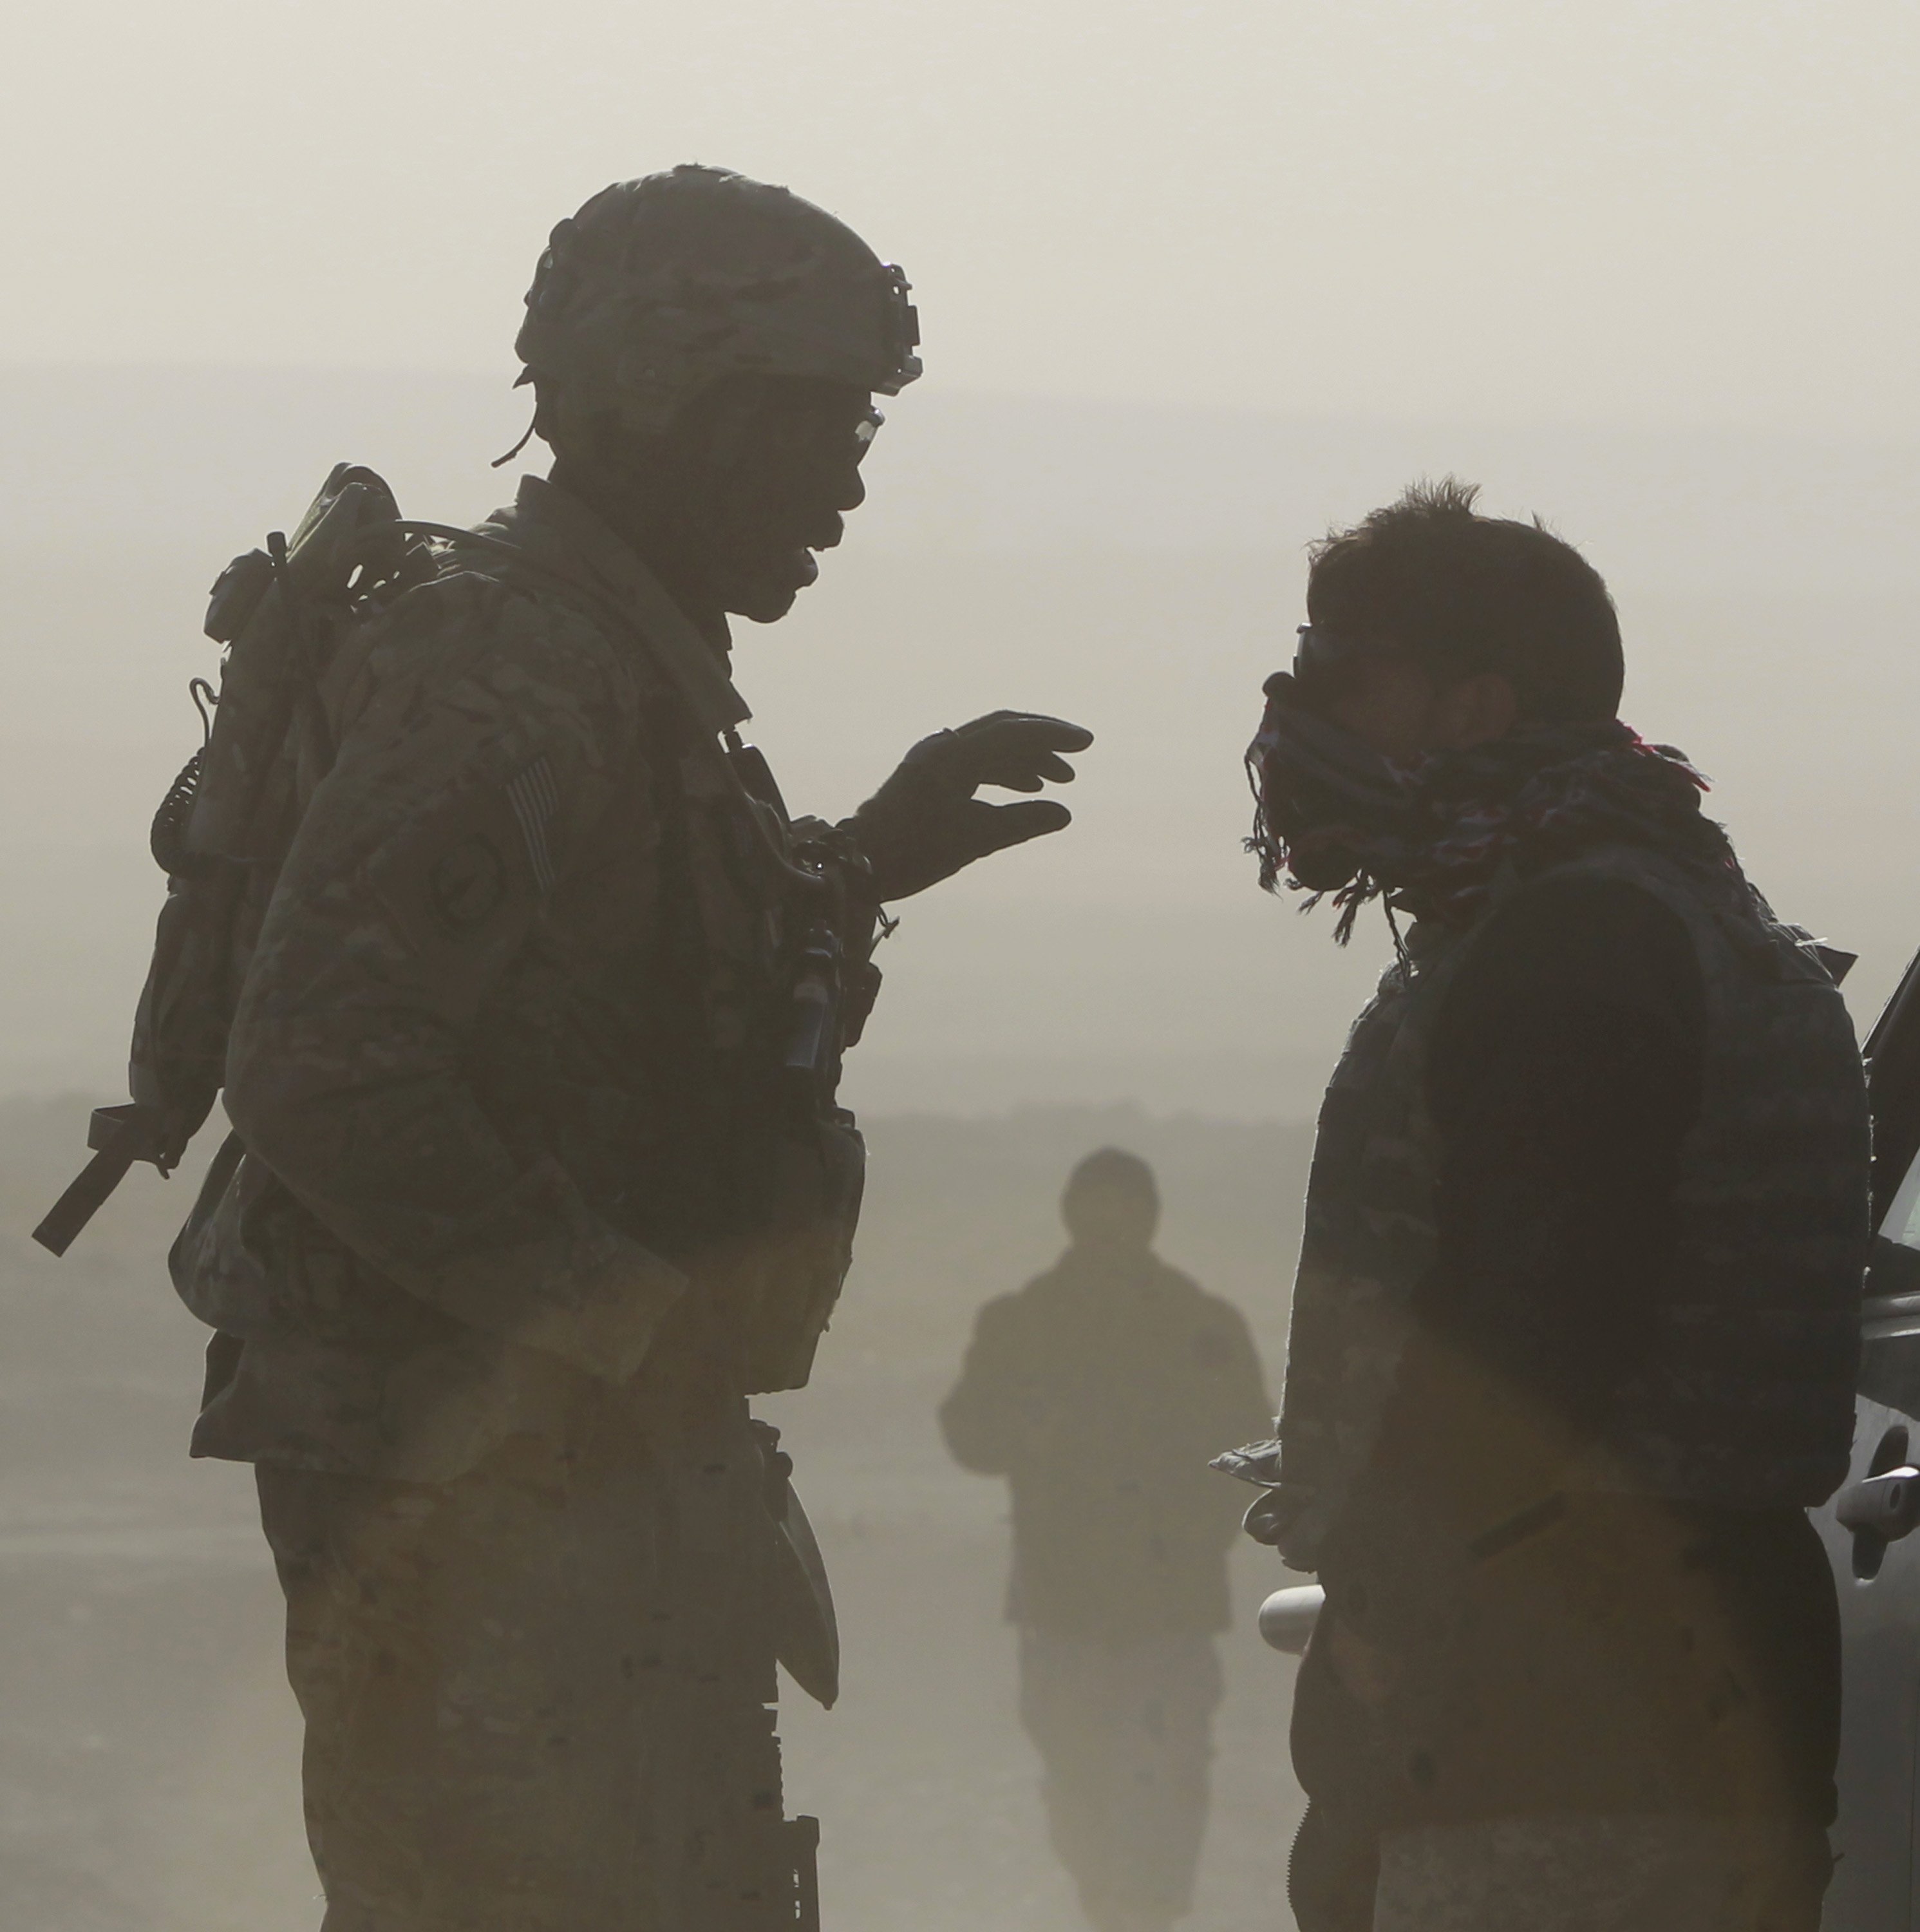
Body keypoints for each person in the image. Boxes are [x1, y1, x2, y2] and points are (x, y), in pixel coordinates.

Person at [164, 164, 1092, 1930]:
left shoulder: (608, 666)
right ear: (664, 408)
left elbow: (606, 986)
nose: (847, 478)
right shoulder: (509, 662)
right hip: (471, 1474)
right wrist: (625, 1325)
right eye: (809, 423)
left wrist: (858, 864)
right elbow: (329, 1058)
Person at [1224, 480, 1870, 1931]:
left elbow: (1528, 1343)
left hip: (1567, 1704)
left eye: (1347, 670)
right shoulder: (1643, 906)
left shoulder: (1581, 938)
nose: (1299, 705)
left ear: (1474, 708)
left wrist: (1380, 1648)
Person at [940, 1148, 1271, 1932]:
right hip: (1062, 1608)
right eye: (1096, 1211)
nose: (1109, 1229)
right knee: (1078, 1796)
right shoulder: (1023, 1323)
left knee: (1164, 1797)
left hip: (1170, 1611)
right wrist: (1026, 1432)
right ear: (1072, 1216)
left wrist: (1195, 1535)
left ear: (1149, 1219)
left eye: (1123, 1211)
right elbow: (966, 1429)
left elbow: (1253, 1449)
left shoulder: (1203, 1325)